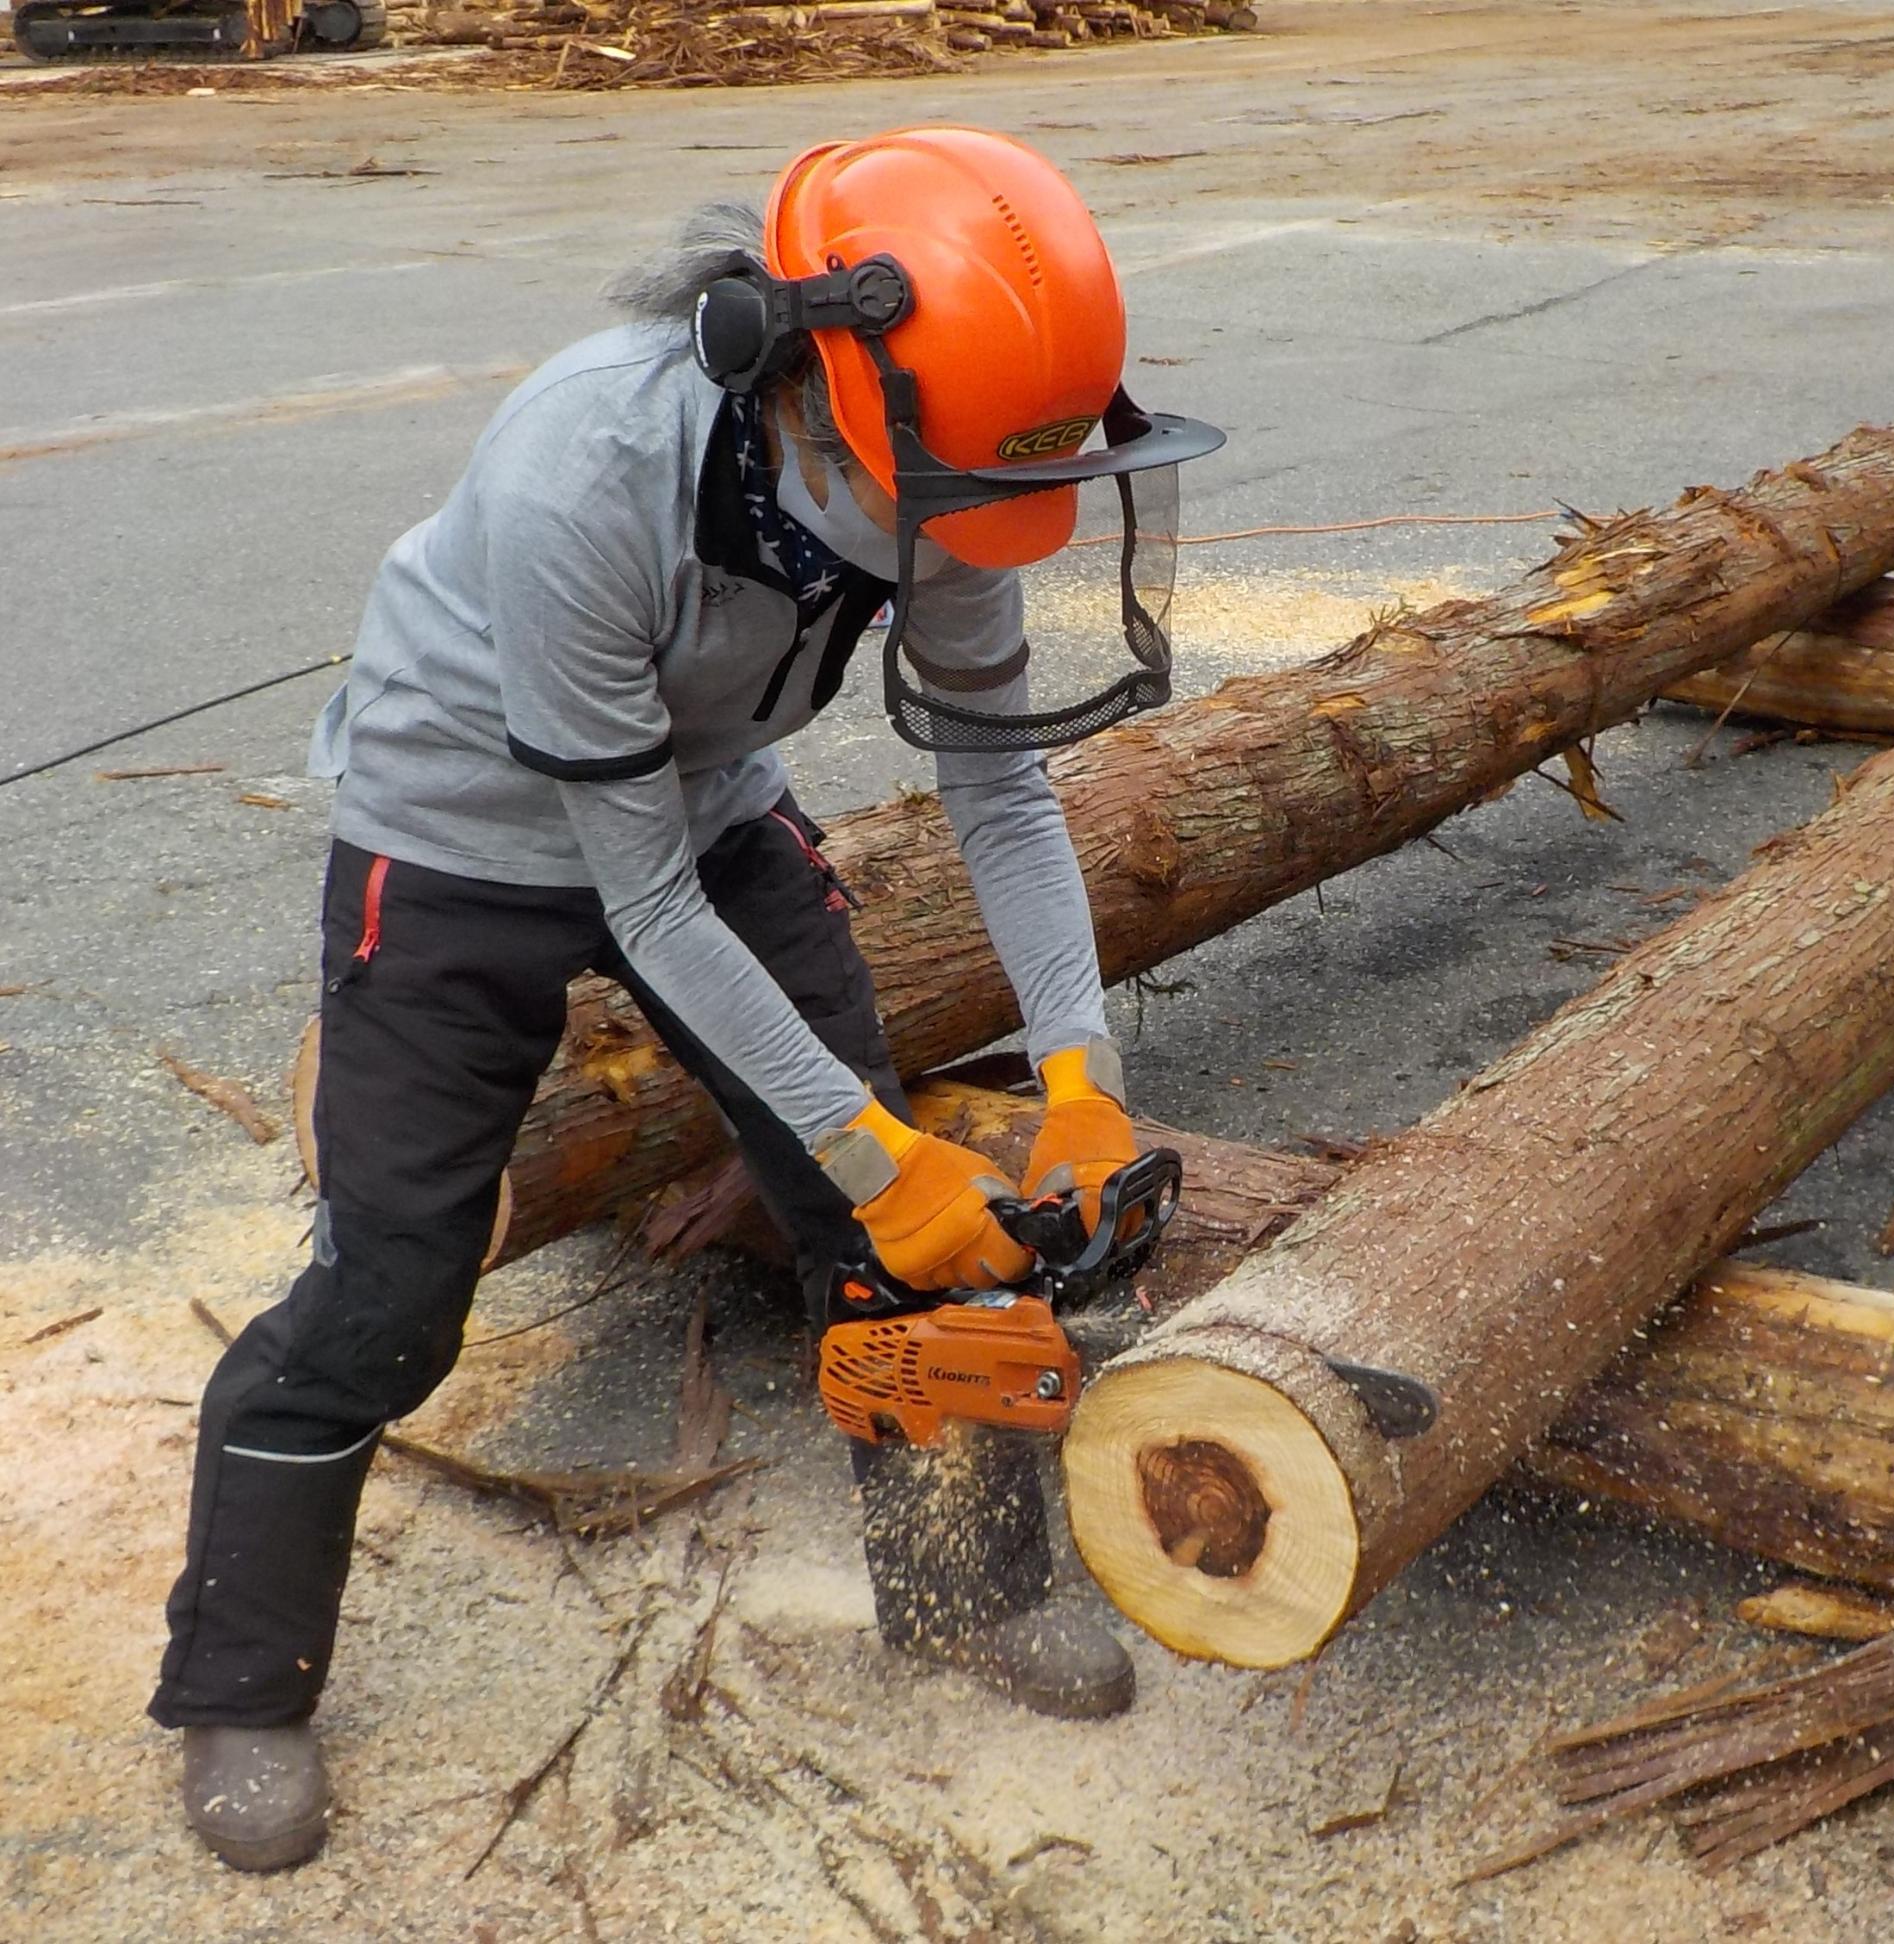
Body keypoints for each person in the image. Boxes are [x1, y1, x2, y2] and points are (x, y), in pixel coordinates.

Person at [148, 124, 1223, 1873]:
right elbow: (627, 894)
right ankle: (237, 1681)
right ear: (799, 369)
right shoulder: (590, 463)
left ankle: (963, 1590)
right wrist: (882, 1145)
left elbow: (1003, 793)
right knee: (396, 1281)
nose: (957, 537)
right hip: (460, 835)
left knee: (878, 1231)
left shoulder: (949, 447)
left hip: (707, 805)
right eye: (933, 493)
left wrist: (1081, 1079)